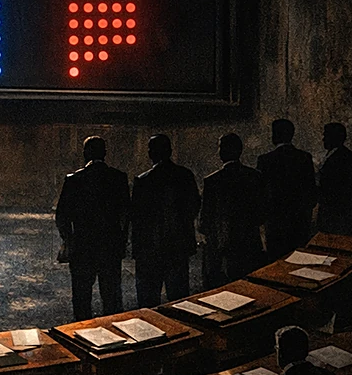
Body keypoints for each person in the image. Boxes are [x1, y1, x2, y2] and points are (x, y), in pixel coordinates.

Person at [55, 136, 130, 321]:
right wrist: (121, 241)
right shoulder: (119, 178)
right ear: (105, 153)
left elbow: (62, 216)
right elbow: (126, 214)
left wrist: (70, 240)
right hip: (109, 248)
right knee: (111, 299)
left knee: (81, 300)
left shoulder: (74, 180)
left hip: (82, 248)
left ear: (85, 154)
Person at [130, 135, 201, 307]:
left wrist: (136, 247)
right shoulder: (185, 175)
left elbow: (137, 217)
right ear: (169, 151)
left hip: (150, 249)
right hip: (178, 247)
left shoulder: (143, 180)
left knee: (148, 302)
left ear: (151, 153)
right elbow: (194, 206)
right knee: (179, 300)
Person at [200, 134, 268, 288]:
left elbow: (205, 219)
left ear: (222, 151)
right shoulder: (254, 176)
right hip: (249, 242)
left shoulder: (212, 181)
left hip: (223, 244)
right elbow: (261, 213)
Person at [256, 119, 316, 259]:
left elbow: (261, 193)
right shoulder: (304, 158)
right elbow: (311, 192)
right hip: (299, 221)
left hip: (275, 222)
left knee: (275, 262)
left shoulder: (265, 160)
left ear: (275, 135)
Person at [317, 122, 352, 235]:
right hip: (336, 210)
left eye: (326, 135)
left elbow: (342, 186)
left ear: (334, 137)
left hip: (336, 211)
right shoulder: (345, 156)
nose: (323, 139)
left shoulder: (342, 157)